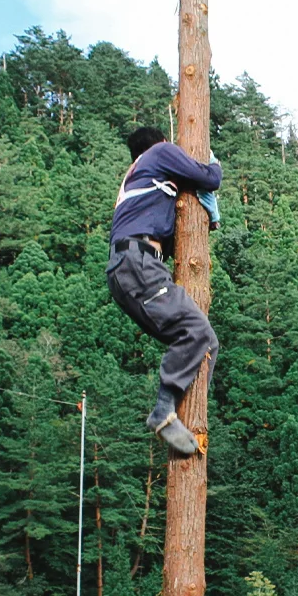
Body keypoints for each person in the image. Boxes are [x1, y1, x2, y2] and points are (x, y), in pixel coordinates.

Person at [108, 126, 223, 456]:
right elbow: (209, 177)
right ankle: (163, 410)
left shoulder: (138, 183)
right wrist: (214, 166)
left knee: (205, 340)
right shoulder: (158, 153)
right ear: (159, 145)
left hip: (128, 268)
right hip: (138, 263)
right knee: (195, 330)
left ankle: (175, 409)